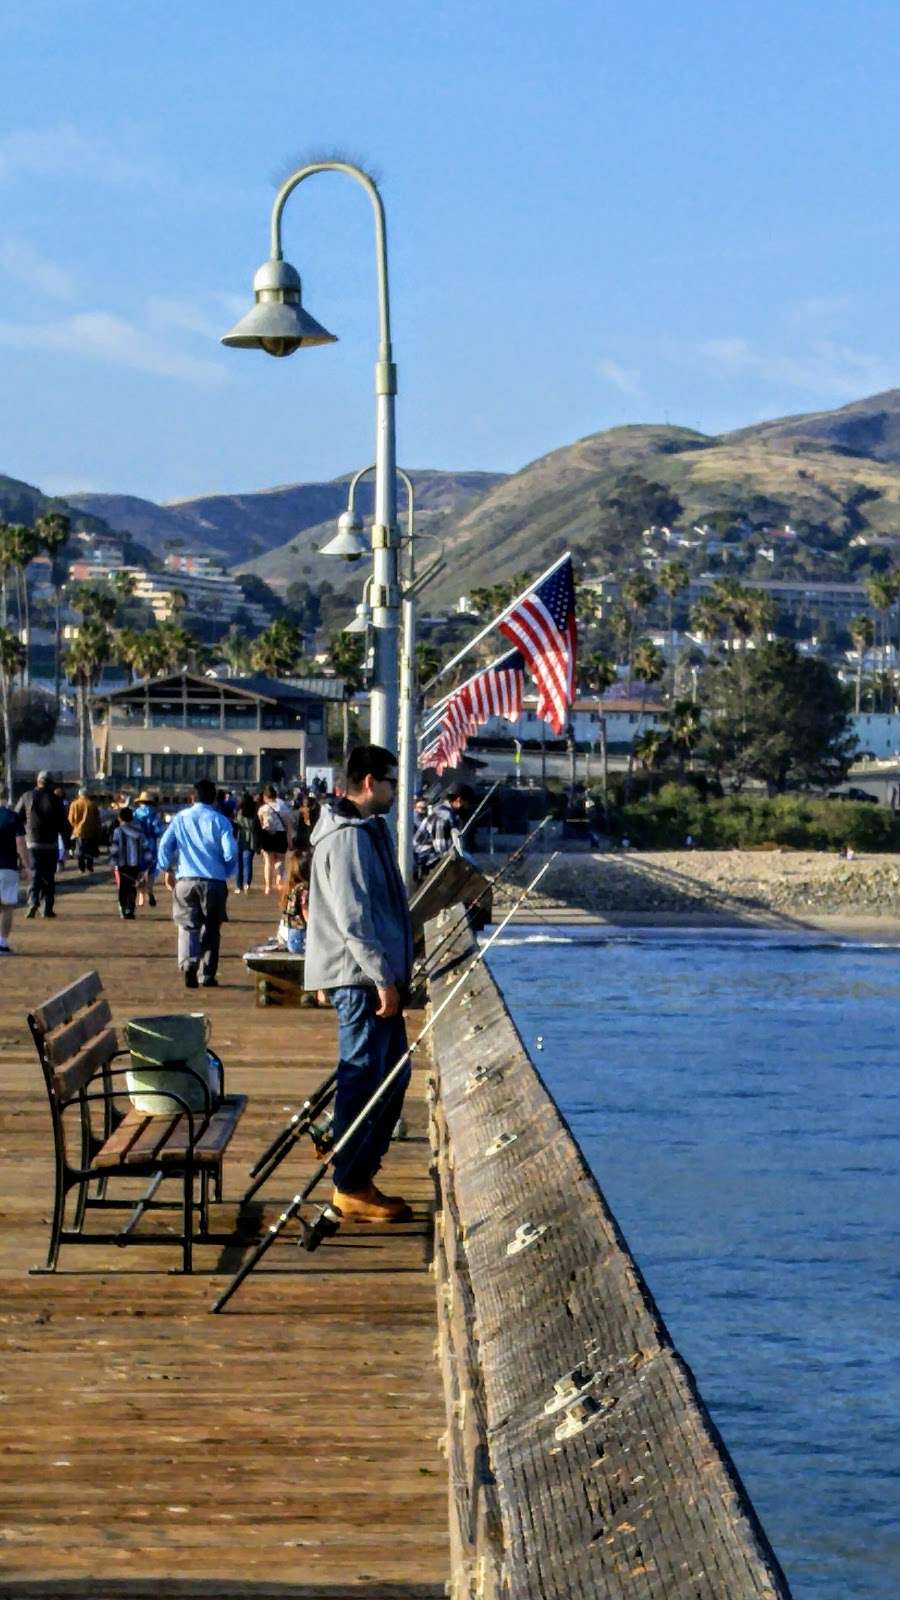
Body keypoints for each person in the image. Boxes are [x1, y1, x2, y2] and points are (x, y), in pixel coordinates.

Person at [305, 744, 414, 1224]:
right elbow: (354, 919)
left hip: (370, 976)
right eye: (391, 781)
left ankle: (359, 1173)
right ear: (369, 782)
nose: (396, 790)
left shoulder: (367, 830)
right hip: (362, 980)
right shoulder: (346, 837)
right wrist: (382, 977)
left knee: (393, 1076)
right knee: (363, 1078)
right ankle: (349, 1184)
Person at [157, 777, 236, 989]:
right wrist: (227, 871)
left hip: (186, 879)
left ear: (194, 797)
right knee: (212, 928)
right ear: (215, 799)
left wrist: (167, 869)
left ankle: (188, 964)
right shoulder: (221, 821)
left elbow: (165, 845)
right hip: (214, 881)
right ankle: (207, 973)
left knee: (187, 926)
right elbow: (230, 852)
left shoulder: (180, 818)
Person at [16, 771, 70, 919]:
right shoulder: (56, 799)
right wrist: (67, 845)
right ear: (51, 783)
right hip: (51, 844)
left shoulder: (27, 796)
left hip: (32, 843)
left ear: (38, 781)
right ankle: (47, 907)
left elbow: (17, 818)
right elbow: (64, 825)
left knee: (35, 873)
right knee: (49, 876)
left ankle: (33, 901)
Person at [109, 806, 152, 919]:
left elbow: (115, 848)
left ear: (119, 818)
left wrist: (113, 862)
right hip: (135, 863)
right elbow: (145, 847)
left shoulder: (118, 831)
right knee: (133, 887)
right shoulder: (139, 832)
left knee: (123, 887)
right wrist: (148, 861)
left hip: (122, 863)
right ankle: (130, 909)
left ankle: (123, 908)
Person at [0, 794, 30, 953]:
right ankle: (2, 943)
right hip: (7, 868)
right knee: (6, 907)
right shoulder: (12, 817)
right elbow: (20, 844)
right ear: (6, 799)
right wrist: (26, 866)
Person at [257, 784, 292, 895]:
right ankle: (280, 880)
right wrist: (289, 838)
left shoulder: (262, 809)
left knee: (268, 862)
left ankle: (268, 887)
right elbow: (288, 825)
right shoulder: (283, 807)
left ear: (265, 797)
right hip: (280, 835)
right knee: (281, 860)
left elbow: (260, 823)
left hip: (267, 836)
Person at [132, 791, 165, 907]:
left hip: (139, 844)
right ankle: (150, 889)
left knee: (139, 870)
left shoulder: (135, 814)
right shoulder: (155, 814)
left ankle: (141, 895)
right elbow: (159, 830)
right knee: (151, 869)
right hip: (151, 844)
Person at [67, 786, 103, 874]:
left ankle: (81, 868)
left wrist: (75, 826)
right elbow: (97, 819)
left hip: (78, 831)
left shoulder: (74, 804)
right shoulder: (92, 804)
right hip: (91, 831)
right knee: (90, 850)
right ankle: (90, 867)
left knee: (80, 851)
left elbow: (70, 819)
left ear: (79, 794)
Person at [232, 791, 260, 894]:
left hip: (240, 839)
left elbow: (235, 823)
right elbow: (256, 826)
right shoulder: (254, 812)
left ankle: (239, 886)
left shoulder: (239, 812)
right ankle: (247, 884)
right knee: (248, 864)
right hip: (251, 839)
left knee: (239, 864)